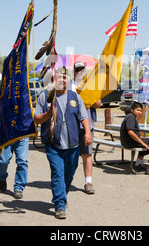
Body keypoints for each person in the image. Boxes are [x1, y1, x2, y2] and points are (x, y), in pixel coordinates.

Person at [34, 66, 91, 219]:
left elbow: (83, 117)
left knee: (69, 174)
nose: (62, 80)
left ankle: (62, 194)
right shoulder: (45, 96)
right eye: (59, 77)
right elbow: (36, 119)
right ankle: (60, 204)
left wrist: (87, 132)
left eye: (65, 78)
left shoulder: (75, 96)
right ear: (54, 79)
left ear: (68, 80)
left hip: (73, 145)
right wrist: (48, 113)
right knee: (57, 173)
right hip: (53, 144)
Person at [0, 92, 29, 199]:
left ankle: (19, 187)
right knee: (3, 160)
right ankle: (2, 177)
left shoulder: (24, 92)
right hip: (6, 135)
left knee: (22, 161)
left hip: (22, 134)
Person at [71, 61, 101, 194]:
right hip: (71, 126)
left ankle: (88, 182)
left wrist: (85, 97)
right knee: (70, 154)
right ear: (73, 71)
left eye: (81, 70)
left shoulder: (91, 85)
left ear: (85, 71)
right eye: (77, 69)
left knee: (87, 154)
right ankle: (67, 180)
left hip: (87, 126)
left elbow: (98, 104)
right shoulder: (69, 86)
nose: (79, 72)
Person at [120, 101, 149, 175]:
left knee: (145, 142)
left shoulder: (129, 116)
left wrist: (141, 139)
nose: (139, 112)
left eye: (141, 111)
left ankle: (138, 165)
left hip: (126, 142)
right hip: (130, 143)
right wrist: (142, 142)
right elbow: (130, 132)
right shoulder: (131, 118)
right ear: (132, 110)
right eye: (137, 110)